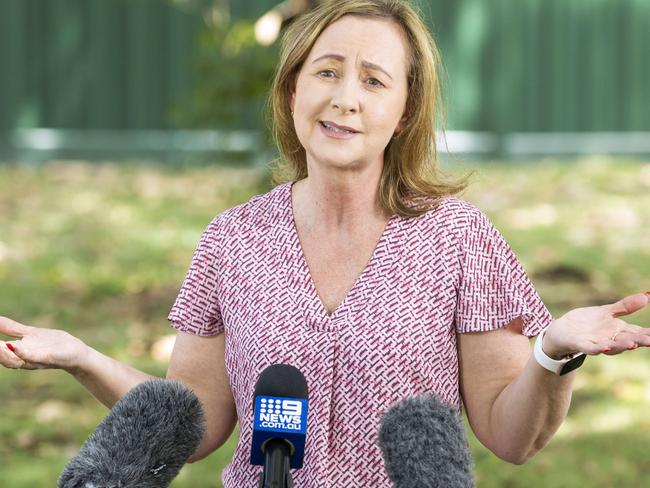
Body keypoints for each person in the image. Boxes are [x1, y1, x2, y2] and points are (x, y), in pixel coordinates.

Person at [1, 0, 649, 486]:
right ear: (291, 90)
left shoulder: (459, 238)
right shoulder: (232, 239)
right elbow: (192, 422)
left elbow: (512, 437)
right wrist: (81, 355)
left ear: (404, 110)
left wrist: (554, 355)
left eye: (373, 80)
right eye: (328, 72)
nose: (345, 99)